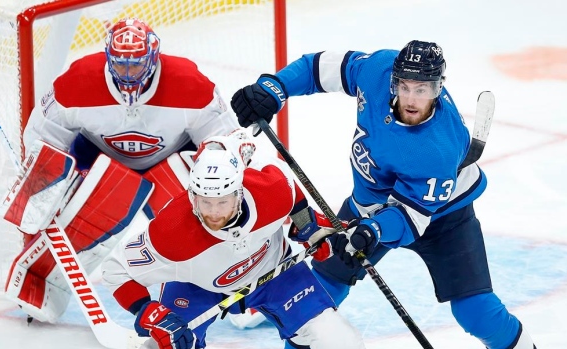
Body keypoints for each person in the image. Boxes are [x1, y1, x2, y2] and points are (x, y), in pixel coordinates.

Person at [230, 40, 537, 349]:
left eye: (423, 90)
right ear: (393, 80)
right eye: (405, 87)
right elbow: (320, 68)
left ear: (438, 88)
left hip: (445, 219)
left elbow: (409, 217)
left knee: (477, 313)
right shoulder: (377, 70)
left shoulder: (439, 148)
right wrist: (276, 87)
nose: (412, 99)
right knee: (315, 297)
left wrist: (373, 230)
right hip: (368, 205)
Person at [1, 17, 240, 324]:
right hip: (100, 163)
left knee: (204, 217)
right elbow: (43, 135)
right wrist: (51, 182)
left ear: (153, 57)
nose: (129, 73)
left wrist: (213, 173)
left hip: (170, 161)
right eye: (122, 65)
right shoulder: (77, 80)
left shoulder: (190, 83)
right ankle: (41, 285)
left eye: (137, 64)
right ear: (108, 58)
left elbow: (225, 139)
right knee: (82, 223)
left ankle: (238, 280)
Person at [101, 131, 365, 349]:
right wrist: (148, 313)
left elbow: (292, 194)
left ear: (239, 193)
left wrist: (310, 229)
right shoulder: (172, 230)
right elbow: (116, 268)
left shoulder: (270, 191)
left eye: (223, 202)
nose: (213, 213)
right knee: (166, 345)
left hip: (275, 273)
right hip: (198, 287)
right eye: (205, 202)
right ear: (192, 196)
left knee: (340, 340)